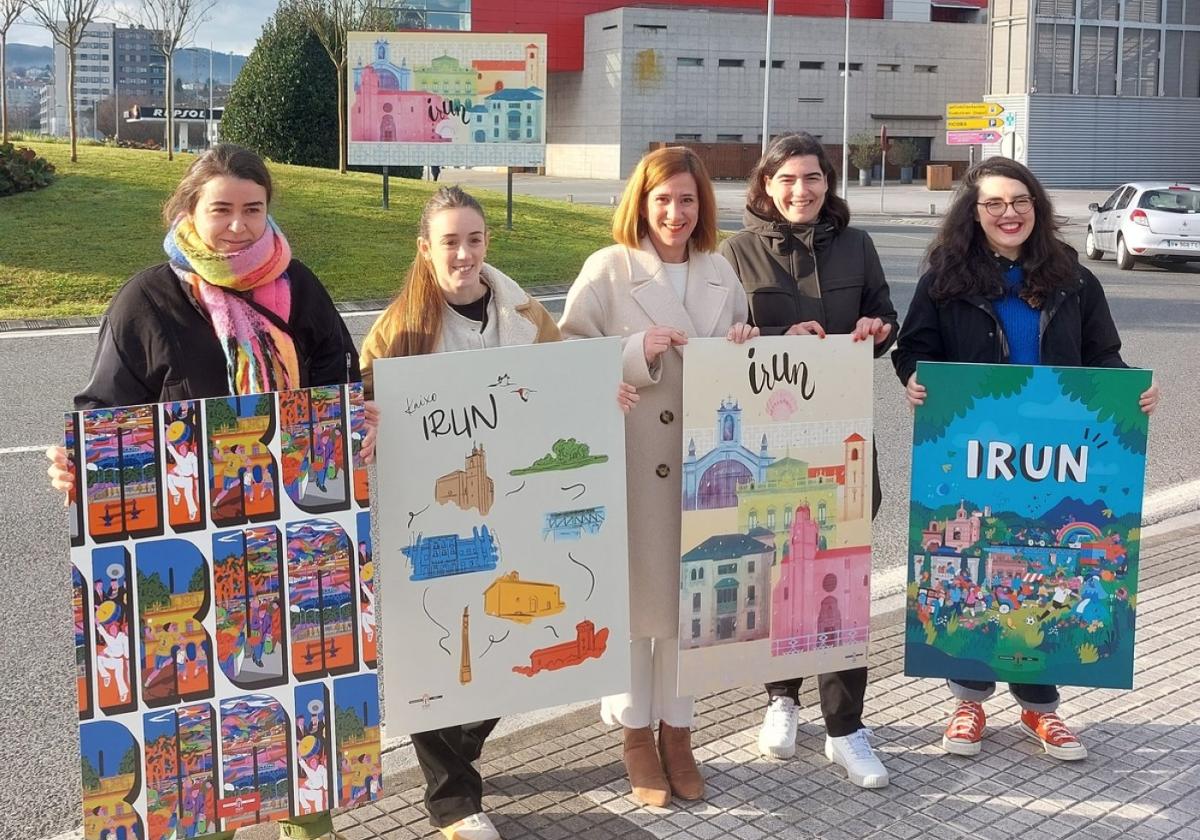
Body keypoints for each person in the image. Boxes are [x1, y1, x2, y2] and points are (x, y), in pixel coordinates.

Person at [46, 143, 358, 840]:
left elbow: (342, 387)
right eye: (222, 210)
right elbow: (105, 411)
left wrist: (357, 429)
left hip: (289, 538)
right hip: (184, 542)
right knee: (194, 719)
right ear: (189, 210)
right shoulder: (148, 299)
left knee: (300, 700)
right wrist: (79, 466)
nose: (240, 227)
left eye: (254, 209)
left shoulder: (297, 288)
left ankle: (309, 828)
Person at [358, 185, 637, 840]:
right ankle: (454, 803)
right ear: (424, 249)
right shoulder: (400, 328)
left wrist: (600, 392)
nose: (464, 253)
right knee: (434, 647)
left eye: (475, 239)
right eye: (450, 241)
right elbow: (361, 399)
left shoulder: (521, 311)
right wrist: (361, 415)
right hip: (430, 520)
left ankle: (460, 746)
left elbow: (561, 377)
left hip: (514, 514)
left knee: (517, 638)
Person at [892, 156, 1160, 761]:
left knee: (1046, 567)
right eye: (994, 203)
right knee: (976, 569)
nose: (1008, 213)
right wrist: (914, 379)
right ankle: (968, 701)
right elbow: (915, 349)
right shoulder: (945, 278)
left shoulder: (1074, 279)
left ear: (1036, 208)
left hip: (1054, 452)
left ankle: (1041, 710)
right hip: (976, 452)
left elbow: (1103, 356)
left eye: (1020, 201)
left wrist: (1129, 390)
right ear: (974, 212)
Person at [558, 146, 758, 808]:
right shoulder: (607, 271)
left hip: (704, 471)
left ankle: (680, 732)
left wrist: (742, 347)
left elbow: (738, 359)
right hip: (631, 465)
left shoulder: (720, 272)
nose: (674, 212)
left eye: (688, 199)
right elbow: (561, 359)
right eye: (662, 199)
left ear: (704, 206)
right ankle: (635, 736)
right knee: (634, 609)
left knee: (686, 611)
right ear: (640, 202)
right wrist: (629, 354)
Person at [718, 131, 895, 788]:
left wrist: (880, 330)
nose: (801, 190)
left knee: (843, 583)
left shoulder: (857, 245)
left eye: (813, 178)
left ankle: (847, 728)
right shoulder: (734, 254)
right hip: (774, 448)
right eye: (787, 179)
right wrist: (765, 337)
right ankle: (781, 700)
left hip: (843, 441)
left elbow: (883, 319)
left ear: (829, 183)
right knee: (780, 577)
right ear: (766, 184)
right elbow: (722, 348)